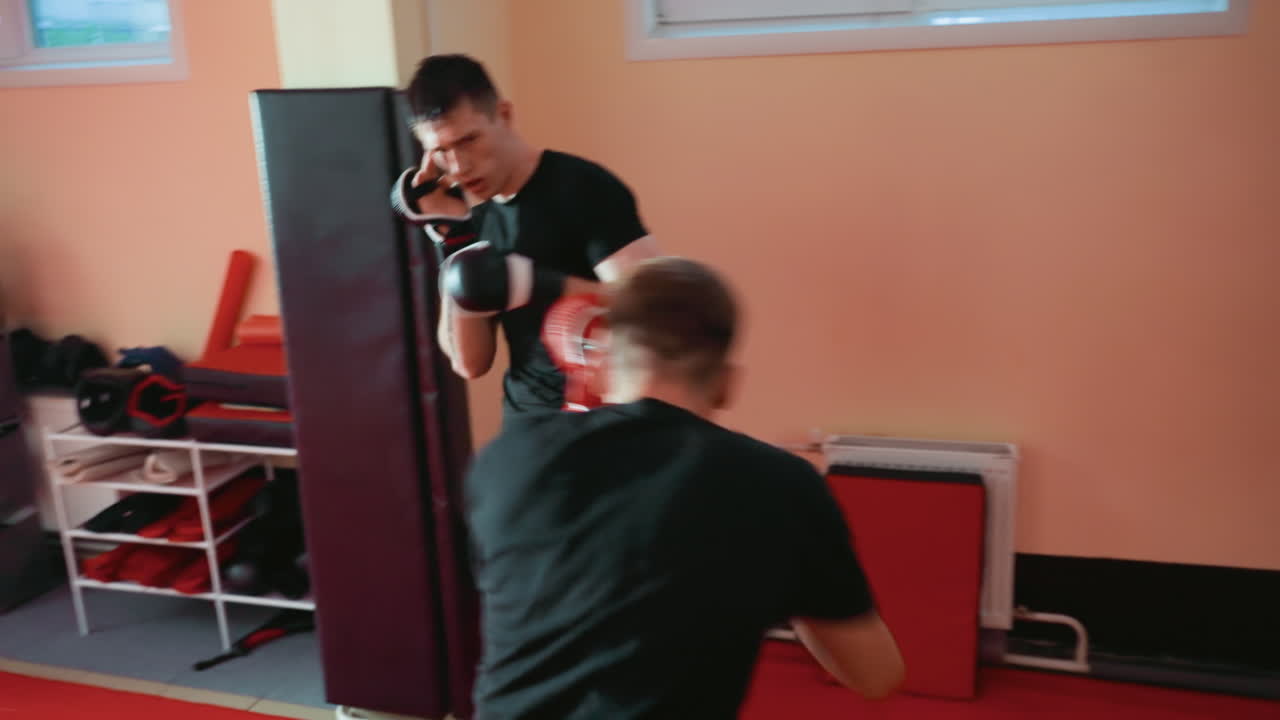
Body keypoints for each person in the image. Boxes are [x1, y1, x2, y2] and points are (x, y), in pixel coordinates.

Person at [463, 257, 905, 719]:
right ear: (727, 386)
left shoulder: (505, 458)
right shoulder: (779, 485)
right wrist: (792, 569)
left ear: (604, 363)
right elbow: (875, 677)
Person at [397, 54, 659, 420]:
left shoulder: (582, 187)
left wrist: (544, 285)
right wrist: (454, 244)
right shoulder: (477, 218)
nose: (458, 166)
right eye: (441, 151)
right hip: (528, 421)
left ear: (503, 115)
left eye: (469, 140)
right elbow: (468, 363)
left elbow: (656, 309)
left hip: (602, 423)